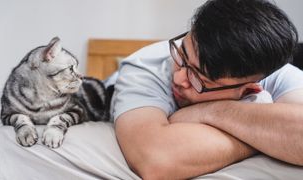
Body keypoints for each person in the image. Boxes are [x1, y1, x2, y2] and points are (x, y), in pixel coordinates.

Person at [110, 0, 303, 179]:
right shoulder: (144, 66)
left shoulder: (273, 72)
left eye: (199, 80)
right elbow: (156, 160)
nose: (179, 78)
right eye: (182, 55)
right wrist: (267, 137)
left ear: (248, 89)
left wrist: (211, 112)